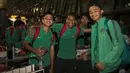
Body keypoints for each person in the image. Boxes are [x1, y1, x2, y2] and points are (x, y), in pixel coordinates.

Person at [89, 4, 124, 73]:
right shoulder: (94, 27)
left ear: (101, 11)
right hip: (97, 65)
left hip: (109, 67)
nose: (93, 14)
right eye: (90, 12)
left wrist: (105, 62)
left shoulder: (110, 23)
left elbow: (119, 46)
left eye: (95, 11)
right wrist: (88, 53)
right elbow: (96, 46)